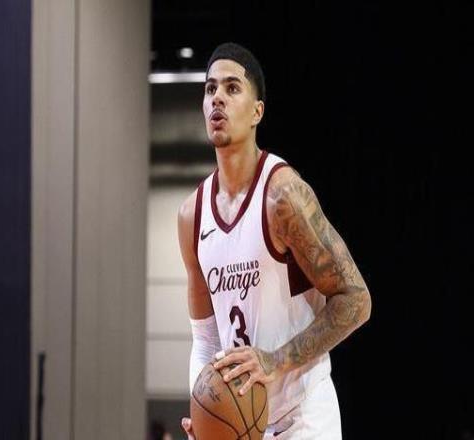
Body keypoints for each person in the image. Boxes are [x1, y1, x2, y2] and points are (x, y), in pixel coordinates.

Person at [177, 42, 371, 439]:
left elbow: (356, 299)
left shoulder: (283, 196)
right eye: (210, 89)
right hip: (247, 425)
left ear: (257, 112)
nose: (217, 98)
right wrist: (204, 412)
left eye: (232, 88)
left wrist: (275, 360)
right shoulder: (191, 216)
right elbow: (206, 340)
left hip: (304, 416)